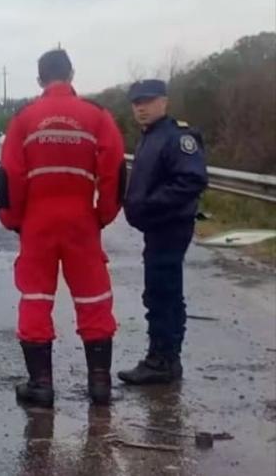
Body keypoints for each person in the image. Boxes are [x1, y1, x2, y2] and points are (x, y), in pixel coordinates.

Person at [0, 49, 125, 407]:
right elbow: (114, 170)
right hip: (82, 220)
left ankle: (41, 385)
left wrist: (14, 220)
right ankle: (100, 384)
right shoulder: (97, 116)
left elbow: (11, 176)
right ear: (71, 74)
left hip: (38, 222)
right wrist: (104, 214)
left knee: (36, 298)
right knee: (94, 296)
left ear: (39, 79)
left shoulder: (24, 119)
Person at [118, 79, 207, 385]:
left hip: (170, 225)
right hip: (157, 227)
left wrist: (150, 205)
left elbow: (191, 181)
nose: (141, 108)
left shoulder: (177, 137)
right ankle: (165, 357)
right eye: (136, 103)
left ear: (164, 101)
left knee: (162, 293)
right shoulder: (150, 136)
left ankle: (163, 360)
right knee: (161, 291)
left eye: (148, 101)